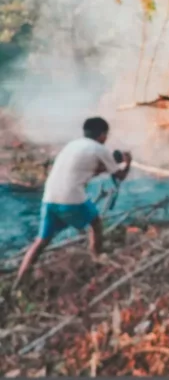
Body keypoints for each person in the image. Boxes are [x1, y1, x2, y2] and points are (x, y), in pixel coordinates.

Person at [13, 117, 131, 291]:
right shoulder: (100, 148)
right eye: (106, 135)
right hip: (70, 198)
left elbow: (89, 170)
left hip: (49, 197)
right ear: (102, 135)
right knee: (96, 223)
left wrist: (112, 163)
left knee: (41, 241)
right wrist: (128, 163)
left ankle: (19, 282)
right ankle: (97, 256)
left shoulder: (73, 145)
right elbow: (119, 176)